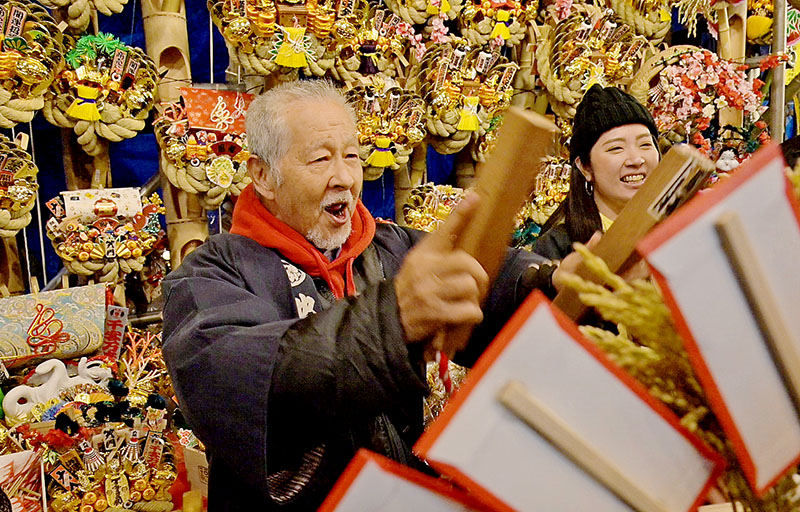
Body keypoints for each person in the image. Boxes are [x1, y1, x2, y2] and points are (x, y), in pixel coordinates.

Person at [161, 79, 558, 510]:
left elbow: (484, 282)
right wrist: (392, 319)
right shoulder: (208, 276)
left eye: (351, 156)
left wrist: (549, 283)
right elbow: (250, 379)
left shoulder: (390, 247)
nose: (345, 178)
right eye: (320, 159)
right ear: (263, 176)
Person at [533, 84, 661, 260]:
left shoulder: (678, 228)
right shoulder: (560, 245)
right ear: (585, 167)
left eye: (645, 144)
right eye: (616, 148)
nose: (636, 160)